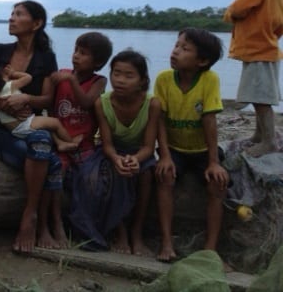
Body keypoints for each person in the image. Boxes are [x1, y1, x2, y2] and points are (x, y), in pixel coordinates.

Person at [0, 0, 64, 251]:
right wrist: (1, 104)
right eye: (11, 14)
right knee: (52, 162)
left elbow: (48, 99)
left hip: (31, 126)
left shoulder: (45, 58)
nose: (11, 18)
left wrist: (26, 98)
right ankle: (37, 221)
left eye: (19, 14)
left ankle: (36, 219)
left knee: (41, 142)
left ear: (36, 23)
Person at [154, 27, 230, 263]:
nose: (176, 52)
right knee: (165, 177)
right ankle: (167, 242)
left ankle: (210, 249)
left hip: (201, 150)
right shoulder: (164, 79)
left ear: (202, 60)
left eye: (185, 49)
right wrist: (164, 156)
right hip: (175, 148)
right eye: (177, 46)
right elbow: (160, 120)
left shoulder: (209, 80)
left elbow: (209, 120)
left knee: (217, 185)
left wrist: (213, 162)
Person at [95, 50, 160, 256]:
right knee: (116, 175)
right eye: (116, 73)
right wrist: (116, 159)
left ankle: (137, 232)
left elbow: (149, 146)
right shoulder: (102, 103)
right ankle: (120, 230)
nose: (120, 80)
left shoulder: (152, 104)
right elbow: (106, 144)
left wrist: (135, 159)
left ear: (142, 80)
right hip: (112, 151)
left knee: (146, 175)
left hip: (140, 152)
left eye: (129, 76)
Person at [223, 0, 283, 157]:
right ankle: (259, 134)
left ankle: (268, 140)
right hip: (270, 49)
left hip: (257, 52)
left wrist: (228, 13)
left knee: (260, 99)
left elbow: (238, 9)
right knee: (261, 96)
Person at [0, 64, 82, 152]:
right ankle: (72, 142)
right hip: (24, 124)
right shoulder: (9, 86)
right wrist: (13, 73)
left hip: (15, 129)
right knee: (55, 123)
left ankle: (60, 143)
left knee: (47, 126)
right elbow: (28, 78)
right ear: (2, 78)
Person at [50, 31, 112, 167]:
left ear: (98, 61)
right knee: (58, 168)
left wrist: (72, 80)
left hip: (83, 143)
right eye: (75, 51)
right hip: (59, 137)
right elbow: (49, 104)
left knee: (88, 174)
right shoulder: (62, 75)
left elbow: (86, 102)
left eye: (83, 53)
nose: (76, 56)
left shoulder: (99, 81)